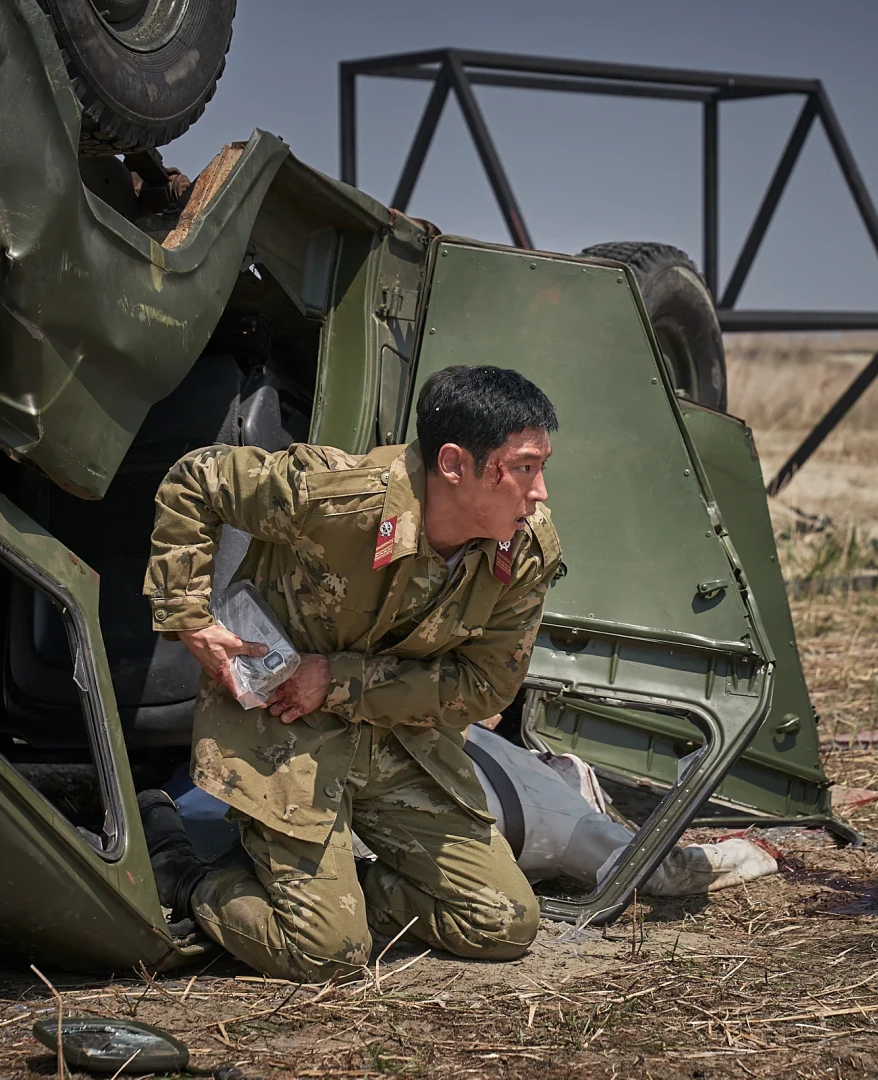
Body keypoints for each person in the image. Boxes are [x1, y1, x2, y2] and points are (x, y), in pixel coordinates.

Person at [139, 364, 562, 982]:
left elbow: (486, 687)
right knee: (327, 955)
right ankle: (185, 873)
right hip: (284, 733)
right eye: (523, 467)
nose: (541, 491)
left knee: (502, 922)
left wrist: (337, 680)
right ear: (453, 463)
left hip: (399, 742)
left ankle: (330, 901)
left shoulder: (523, 548)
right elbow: (196, 480)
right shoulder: (336, 495)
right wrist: (187, 616)